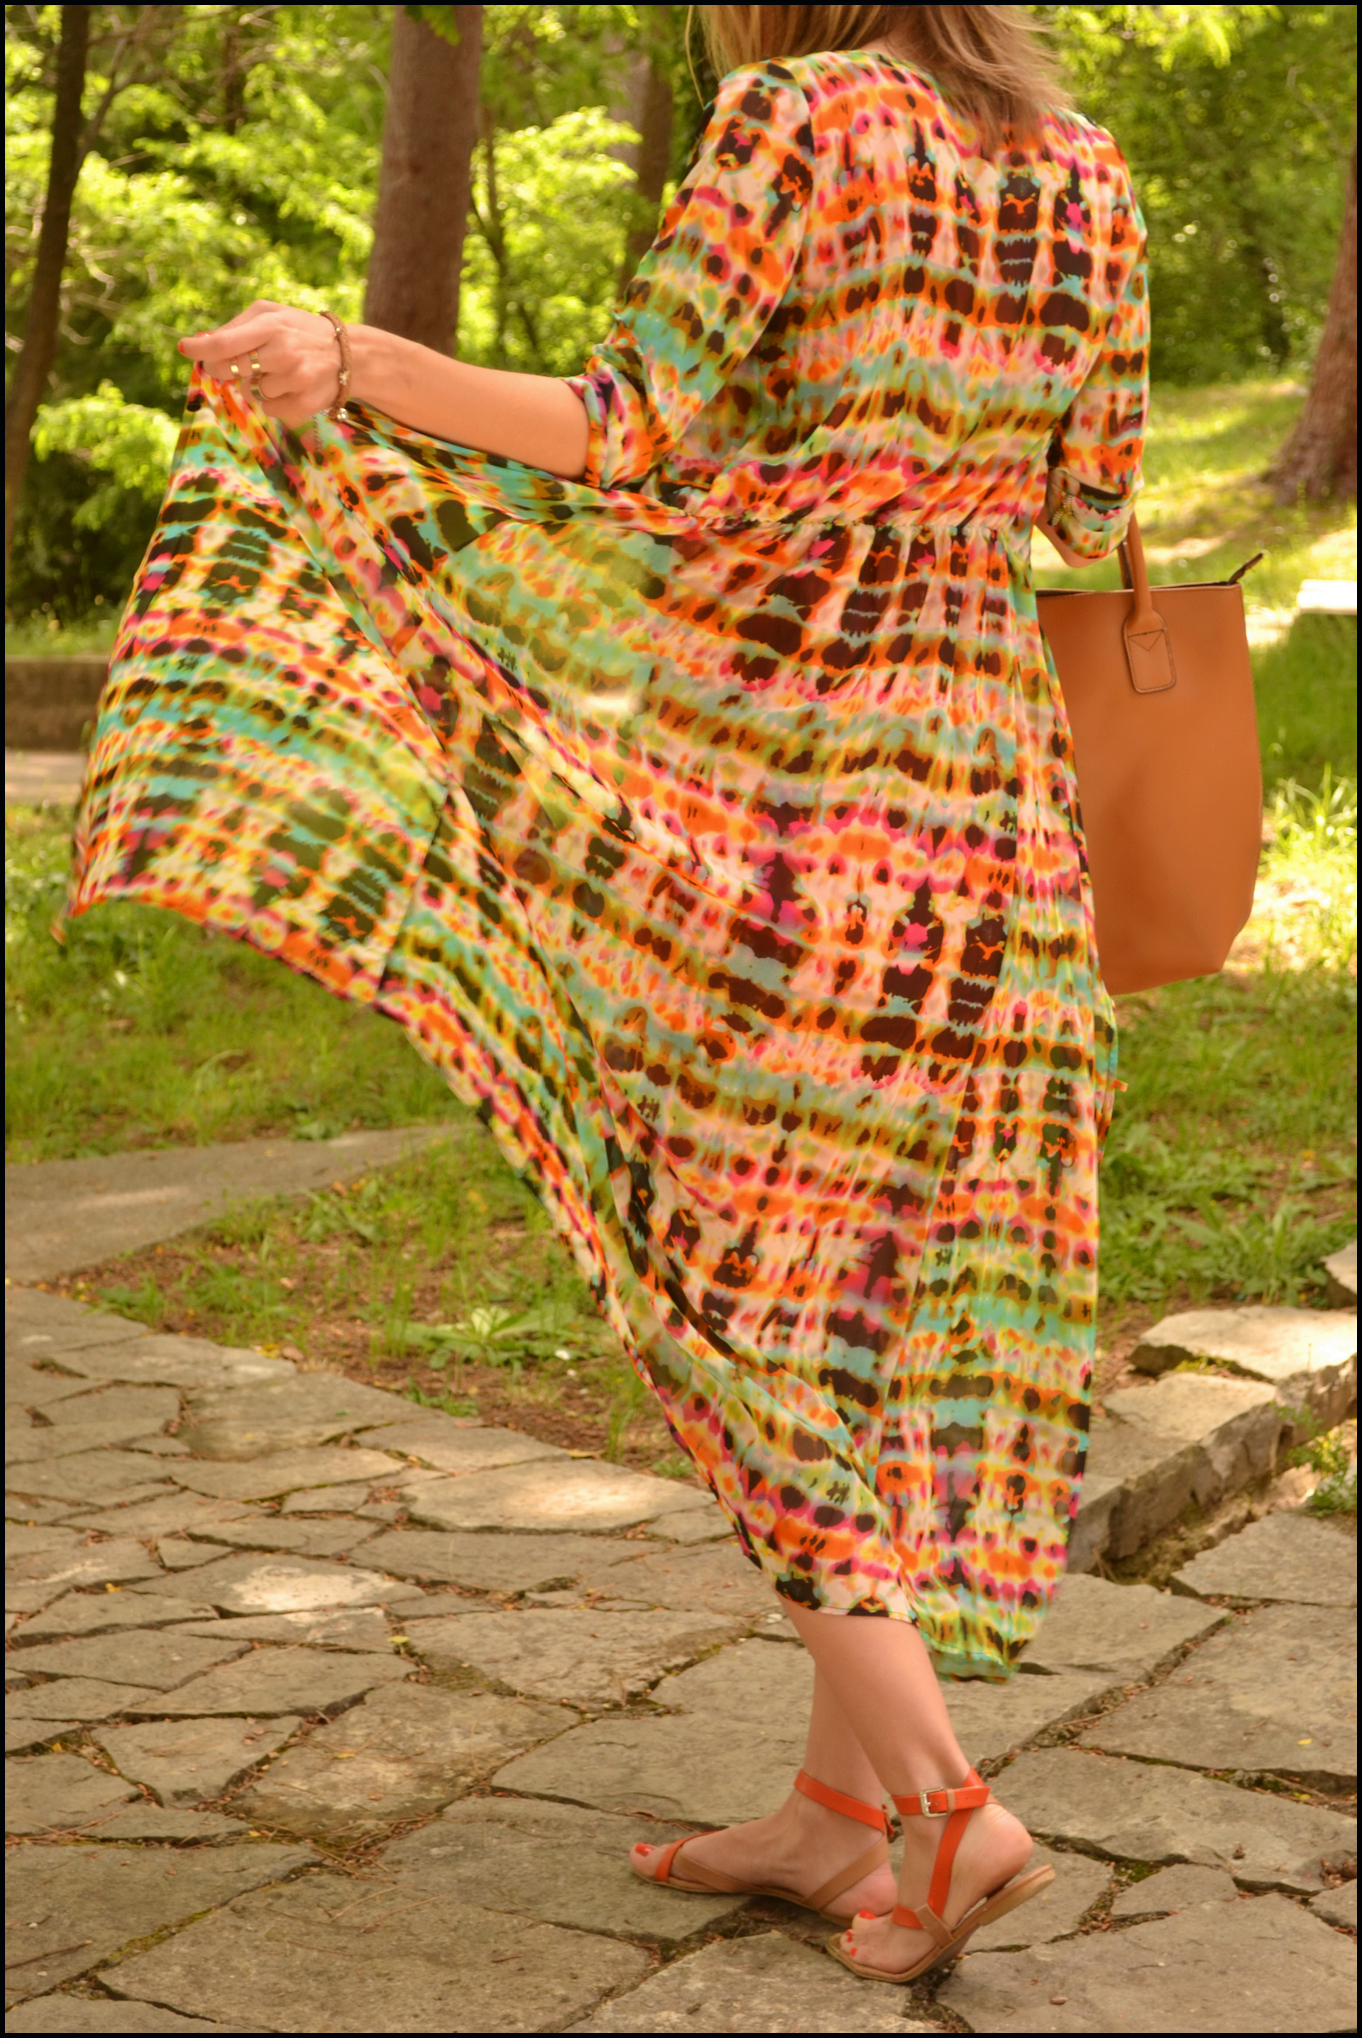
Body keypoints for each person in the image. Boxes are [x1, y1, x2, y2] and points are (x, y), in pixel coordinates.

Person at [68, 2, 1147, 1984]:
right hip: (995, 804)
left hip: (791, 792)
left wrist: (353, 363)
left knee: (718, 1283)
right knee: (862, 1298)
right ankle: (834, 1812)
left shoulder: (792, 120)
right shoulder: (1083, 169)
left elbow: (619, 422)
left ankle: (946, 1805)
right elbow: (1091, 501)